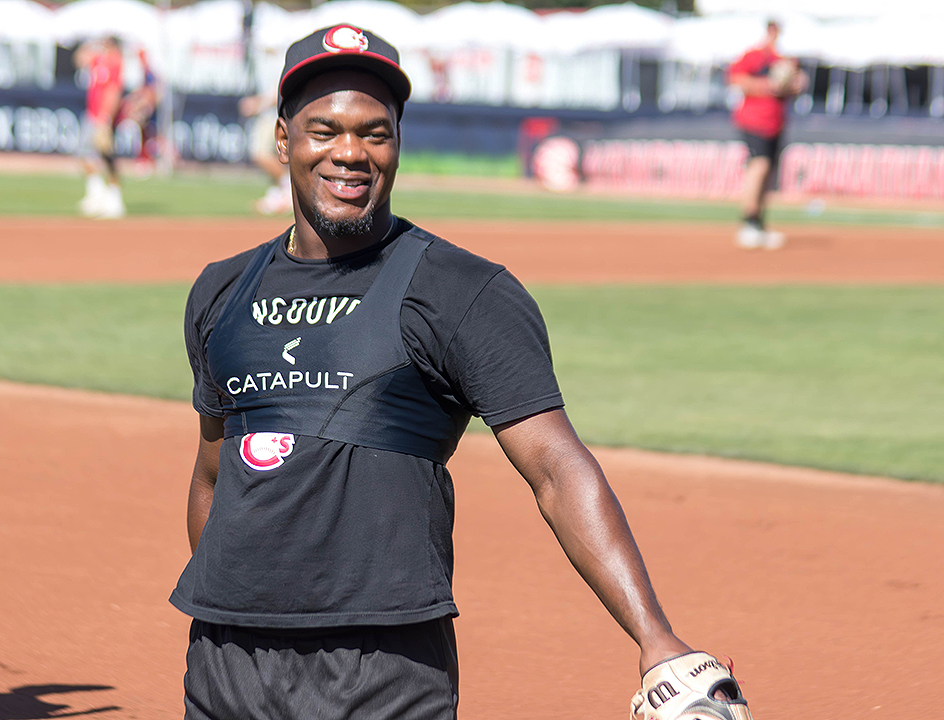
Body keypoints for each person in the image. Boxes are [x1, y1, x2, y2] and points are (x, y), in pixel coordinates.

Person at [172, 24, 737, 719]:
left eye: (375, 133)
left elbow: (557, 469)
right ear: (284, 141)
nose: (350, 153)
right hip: (228, 661)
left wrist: (657, 639)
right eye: (325, 130)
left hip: (382, 664)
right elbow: (212, 473)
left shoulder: (461, 291)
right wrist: (229, 600)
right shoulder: (223, 292)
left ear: (398, 145)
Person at [727, 20, 807, 249]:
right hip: (754, 121)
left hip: (776, 123)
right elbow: (736, 80)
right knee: (758, 165)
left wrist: (794, 85)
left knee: (768, 173)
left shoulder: (786, 59)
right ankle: (748, 221)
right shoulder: (754, 56)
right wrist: (767, 85)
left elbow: (794, 86)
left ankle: (759, 222)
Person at [73, 35, 126, 219]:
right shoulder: (99, 60)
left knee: (107, 156)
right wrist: (90, 42)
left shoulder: (115, 63)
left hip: (103, 117)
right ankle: (96, 194)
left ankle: (114, 198)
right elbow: (80, 59)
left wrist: (105, 117)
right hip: (92, 114)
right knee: (84, 154)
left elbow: (114, 91)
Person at [239, 46, 292, 215]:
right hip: (268, 115)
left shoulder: (278, 61)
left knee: (260, 153)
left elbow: (279, 91)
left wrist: (257, 105)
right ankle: (282, 192)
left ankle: (289, 189)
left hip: (273, 115)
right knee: (273, 156)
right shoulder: (262, 60)